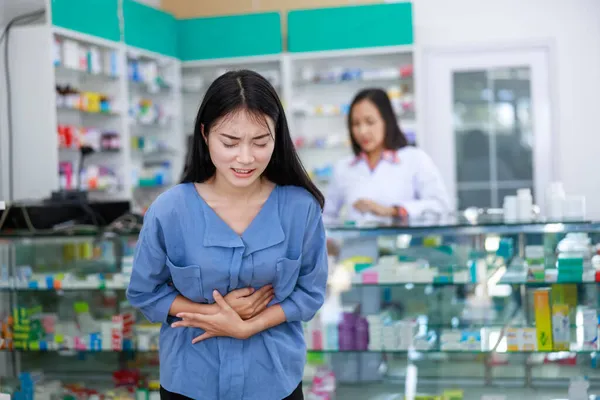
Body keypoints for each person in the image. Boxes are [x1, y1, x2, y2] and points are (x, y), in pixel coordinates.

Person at [127, 70, 328, 400]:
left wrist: (249, 325)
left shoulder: (300, 209)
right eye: (230, 142)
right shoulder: (171, 209)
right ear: (205, 135)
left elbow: (310, 292)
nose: (245, 158)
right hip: (191, 380)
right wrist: (215, 316)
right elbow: (145, 293)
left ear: (278, 138)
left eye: (260, 142)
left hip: (273, 379)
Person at [323, 88, 451, 225]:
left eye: (370, 122)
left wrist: (393, 211)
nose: (362, 131)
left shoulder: (414, 159)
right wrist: (330, 243)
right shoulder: (343, 168)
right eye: (356, 124)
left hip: (402, 245)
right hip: (355, 246)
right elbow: (326, 217)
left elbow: (441, 206)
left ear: (387, 121)